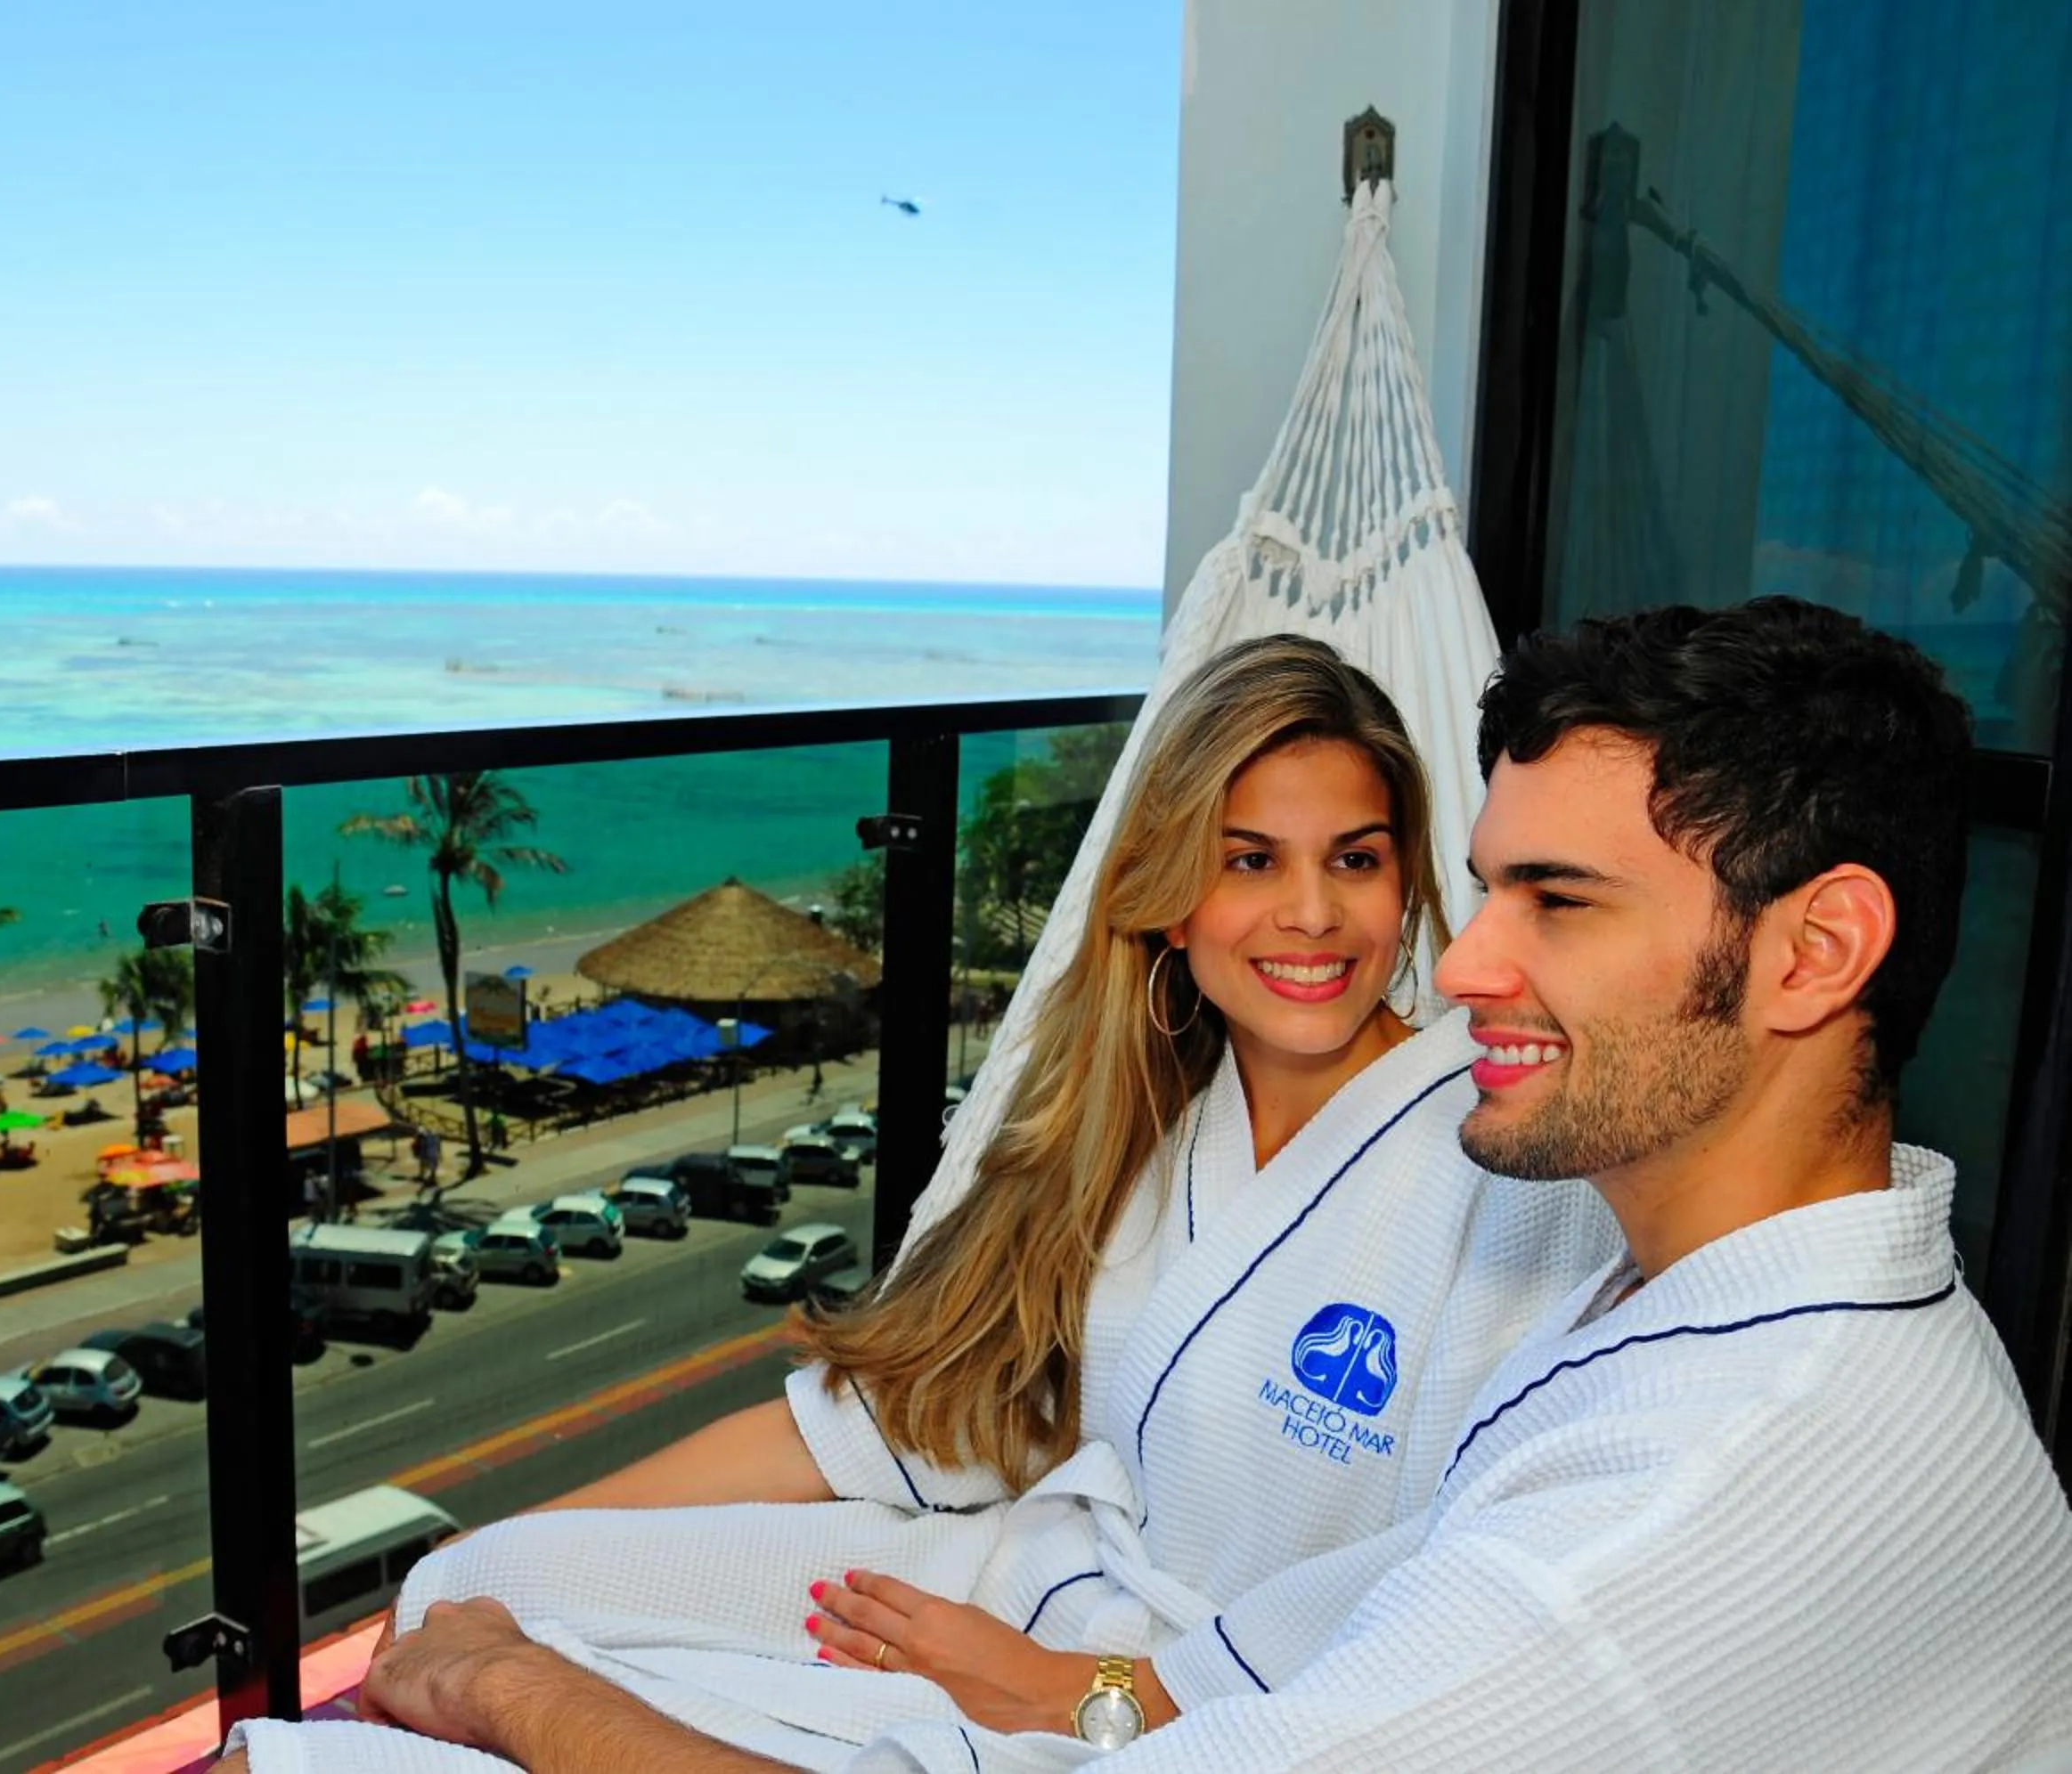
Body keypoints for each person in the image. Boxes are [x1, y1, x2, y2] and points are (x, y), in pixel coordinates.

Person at [241, 600, 2072, 1771]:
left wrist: (517, 1698)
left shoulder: (1657, 1421)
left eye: (1552, 903)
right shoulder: (1707, 1311)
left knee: (389, 1723)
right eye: (1485, 887)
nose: (1443, 959)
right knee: (483, 1584)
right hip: (1083, 1617)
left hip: (1163, 1677)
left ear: (1817, 951)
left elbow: (1409, 1633)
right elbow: (914, 1412)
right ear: (1166, 894)